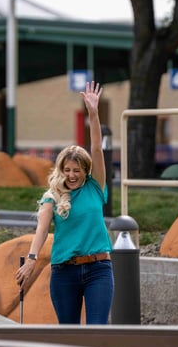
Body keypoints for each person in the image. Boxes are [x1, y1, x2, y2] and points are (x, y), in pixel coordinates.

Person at [15, 81, 113, 325]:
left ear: (85, 170)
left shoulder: (94, 187)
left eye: (77, 170)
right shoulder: (52, 196)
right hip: (64, 271)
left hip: (98, 269)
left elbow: (97, 149)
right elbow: (41, 229)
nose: (71, 175)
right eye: (67, 170)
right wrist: (31, 259)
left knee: (97, 330)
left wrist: (93, 113)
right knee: (68, 334)